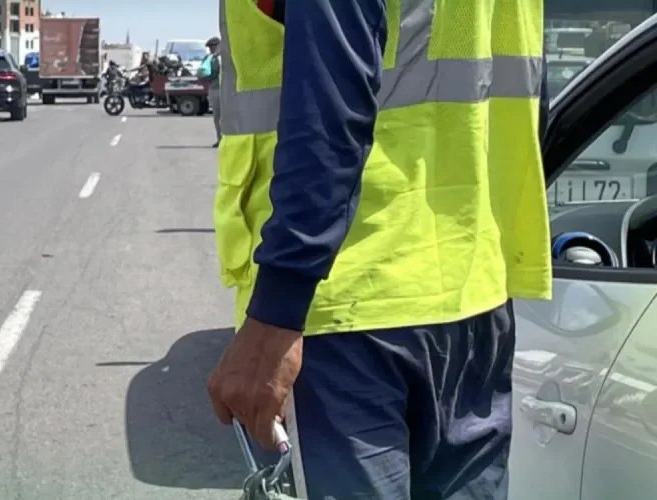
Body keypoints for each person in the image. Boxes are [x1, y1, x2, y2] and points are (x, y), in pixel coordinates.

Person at [207, 0, 552, 499]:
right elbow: (530, 89)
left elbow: (332, 94)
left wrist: (277, 311)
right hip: (474, 287)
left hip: (351, 300)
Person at [198, 36, 222, 147]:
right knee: (220, 117)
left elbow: (212, 73)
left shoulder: (215, 59)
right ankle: (222, 139)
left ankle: (221, 140)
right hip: (220, 89)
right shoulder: (215, 57)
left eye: (212, 47)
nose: (210, 49)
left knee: (218, 117)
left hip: (218, 89)